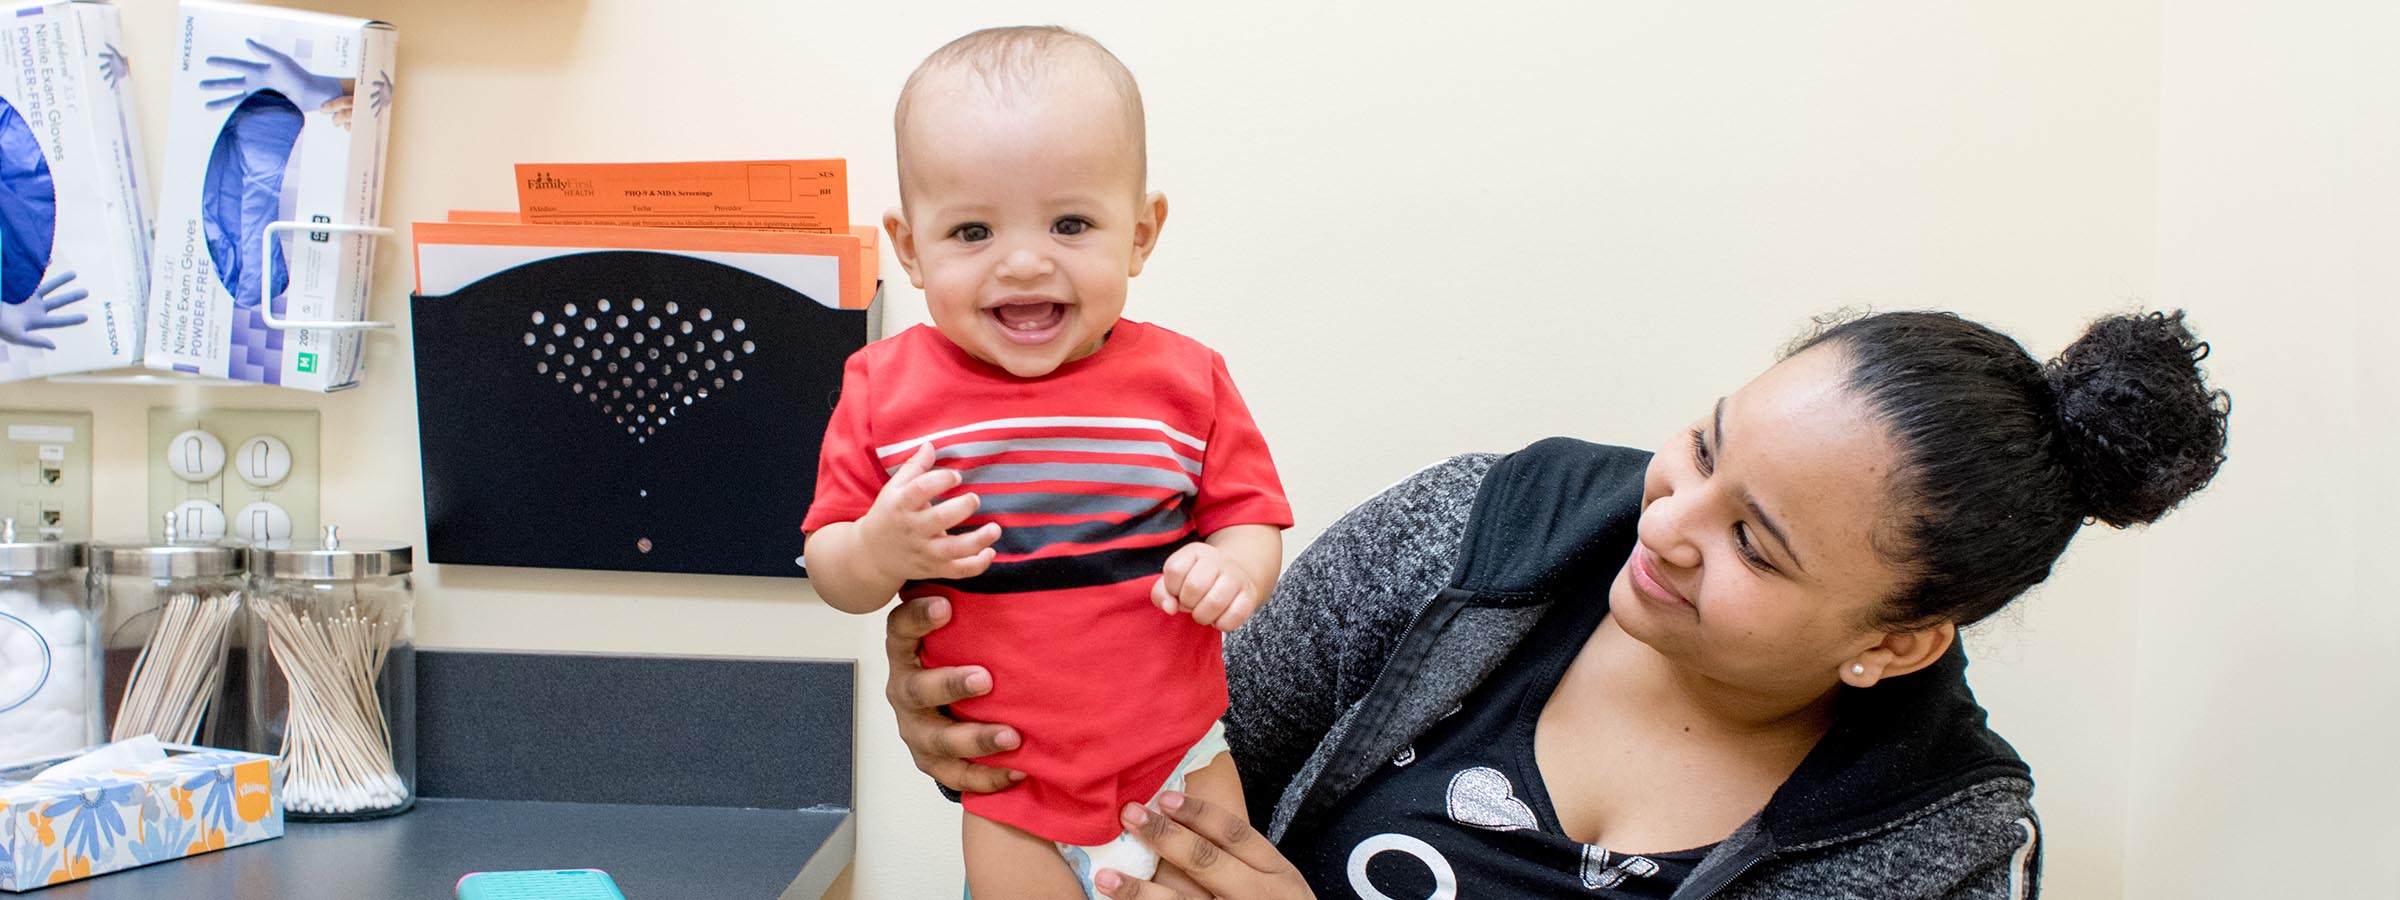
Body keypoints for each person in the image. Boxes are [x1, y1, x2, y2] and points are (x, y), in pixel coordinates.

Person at [884, 310, 2230, 899]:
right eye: (1705, 446)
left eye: (1757, 544)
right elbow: (1162, 745)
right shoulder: (1476, 535)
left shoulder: (1934, 850)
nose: (1669, 525)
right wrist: (986, 706)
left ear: (1897, 640)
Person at [802, 26, 1292, 900]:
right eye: (972, 229)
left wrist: (1232, 568)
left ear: (1140, 234)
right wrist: (878, 551)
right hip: (1007, 789)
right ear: (910, 248)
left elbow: (1246, 514)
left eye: (1071, 222)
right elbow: (834, 567)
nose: (1024, 260)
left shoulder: (1187, 380)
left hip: (1180, 757)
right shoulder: (882, 389)